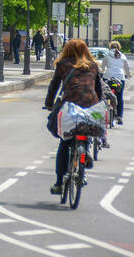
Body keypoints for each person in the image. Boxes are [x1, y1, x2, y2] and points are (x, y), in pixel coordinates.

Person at [44, 39, 103, 195]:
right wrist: (99, 103)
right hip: (91, 105)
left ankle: (58, 183)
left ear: (67, 50)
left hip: (70, 106)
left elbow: (54, 85)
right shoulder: (93, 65)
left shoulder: (63, 64)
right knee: (87, 127)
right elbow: (98, 89)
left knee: (65, 143)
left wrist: (49, 103)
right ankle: (86, 151)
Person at [100, 40, 132, 125]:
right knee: (119, 97)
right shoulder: (123, 56)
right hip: (120, 79)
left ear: (110, 47)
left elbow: (102, 67)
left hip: (108, 78)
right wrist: (128, 75)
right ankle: (119, 116)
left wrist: (101, 74)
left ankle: (105, 113)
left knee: (105, 95)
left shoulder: (107, 56)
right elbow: (127, 68)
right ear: (119, 47)